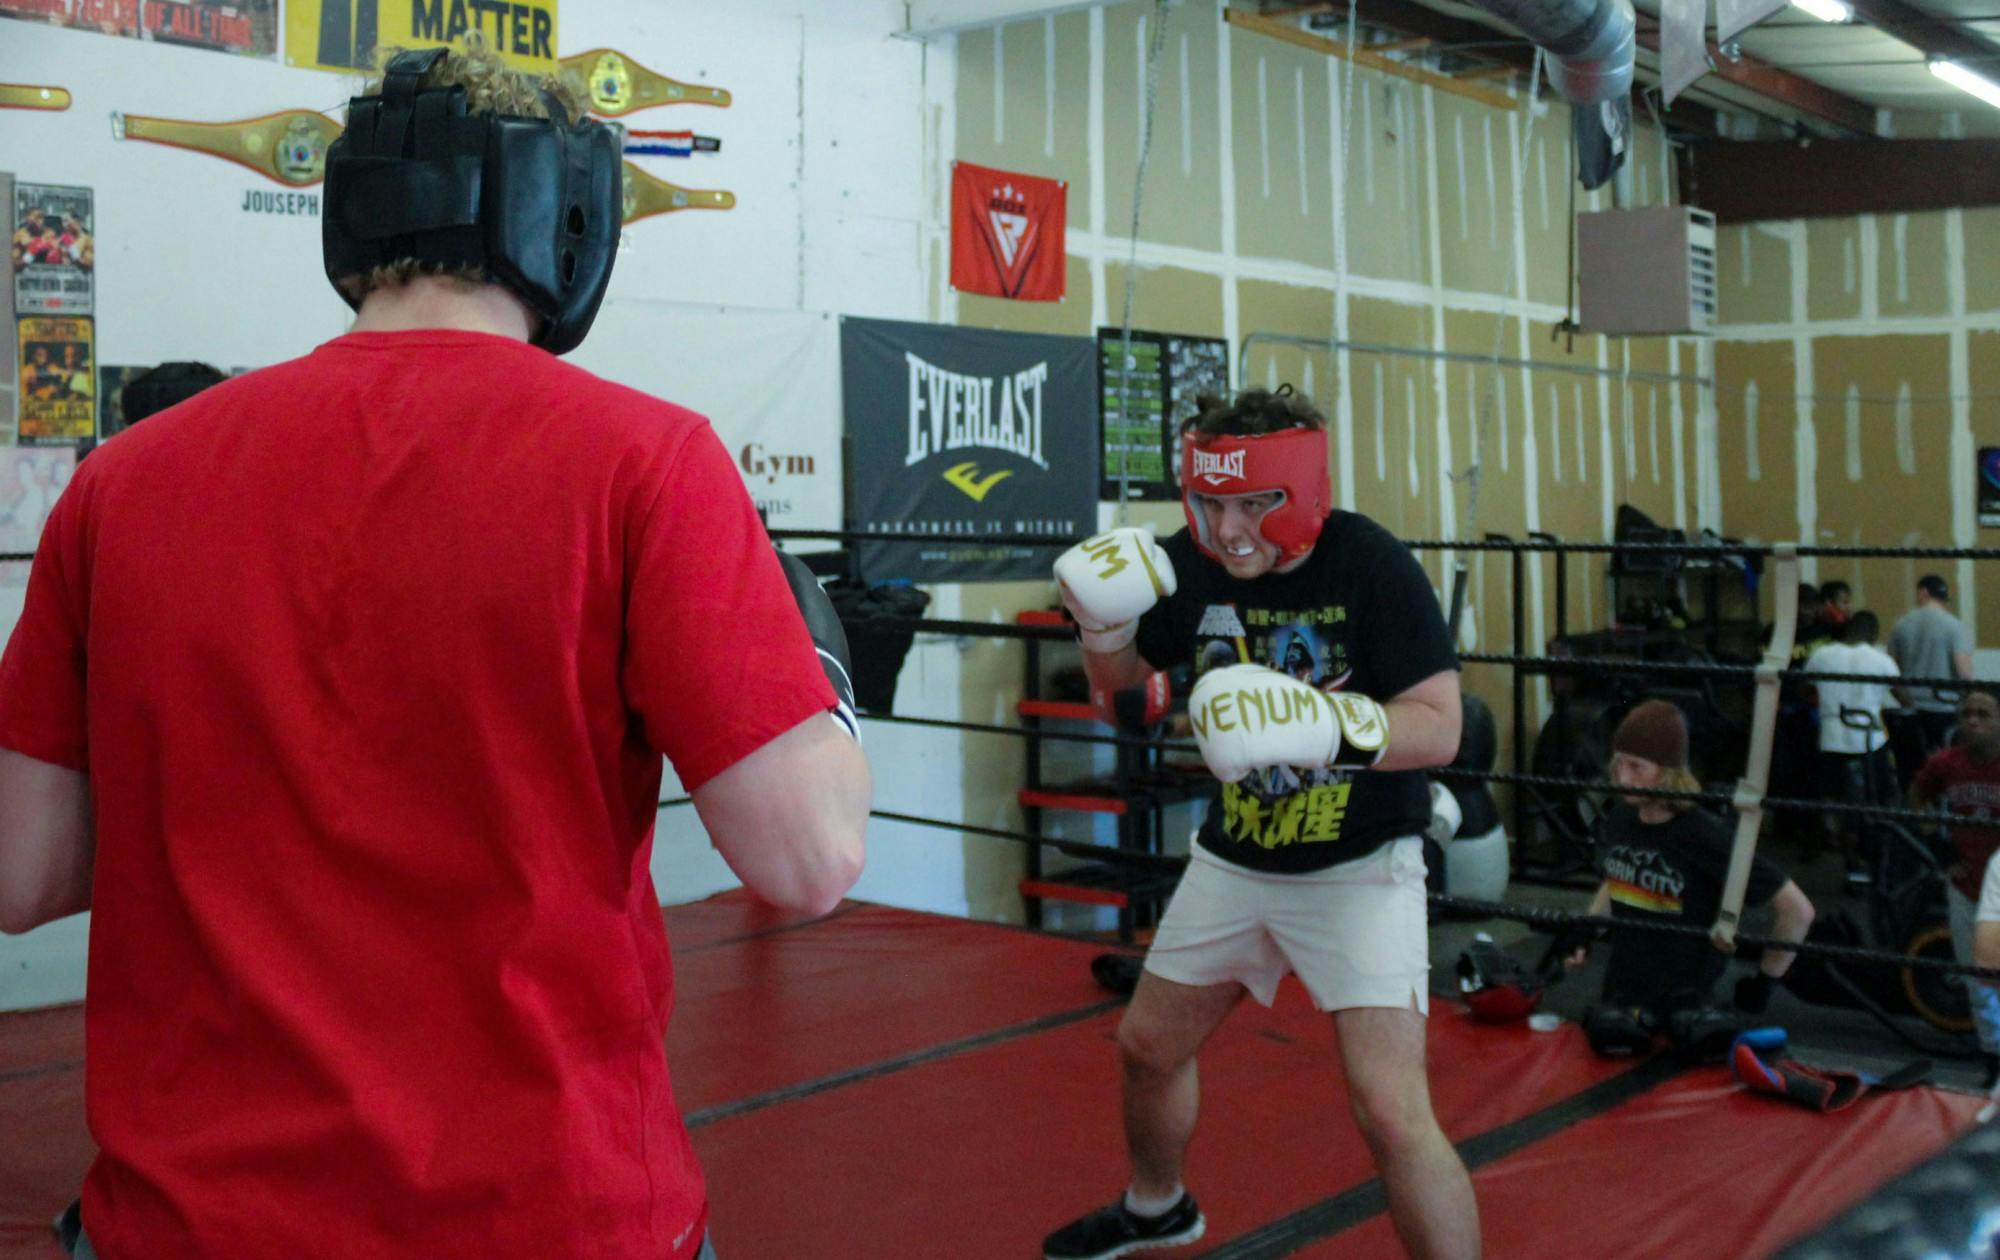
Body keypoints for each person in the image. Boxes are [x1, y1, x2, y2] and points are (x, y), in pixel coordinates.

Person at [0, 39, 868, 1260]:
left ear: (351, 219)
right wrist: (814, 667)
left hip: (187, 1221)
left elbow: (21, 874)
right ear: (570, 222)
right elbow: (810, 858)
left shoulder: (123, 482)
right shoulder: (642, 460)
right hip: (543, 1221)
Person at [1045, 385, 1477, 1260]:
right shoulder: (1189, 563)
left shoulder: (1369, 563)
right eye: (1208, 503)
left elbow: (1442, 726)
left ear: (1304, 491)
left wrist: (1331, 727)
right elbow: (1124, 698)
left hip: (1360, 864)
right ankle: (1157, 1206)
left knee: (1393, 1113)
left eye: (1254, 503)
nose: (1230, 529)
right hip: (1237, 859)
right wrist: (1099, 626)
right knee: (1148, 1046)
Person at [1567, 700, 1815, 1056]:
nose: (1623, 777)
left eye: (1637, 767)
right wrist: (1588, 928)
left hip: (1686, 1011)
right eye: (1619, 763)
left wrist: (1764, 982)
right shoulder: (1622, 816)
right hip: (1622, 1003)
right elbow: (1620, 874)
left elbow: (1798, 911)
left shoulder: (1704, 835)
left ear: (1669, 772)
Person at [1910, 685, 2000, 1087]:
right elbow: (1917, 797)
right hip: (1966, 884)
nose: (1973, 721)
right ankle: (1994, 1062)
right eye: (1967, 714)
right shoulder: (1948, 763)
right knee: (1980, 979)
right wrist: (1940, 848)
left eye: (1984, 714)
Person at [1803, 610, 1900, 885]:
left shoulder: (1822, 655)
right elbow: (1903, 695)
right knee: (1879, 802)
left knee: (1842, 806)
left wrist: (1827, 702)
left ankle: (1851, 865)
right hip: (1871, 742)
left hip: (1832, 740)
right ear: (1874, 634)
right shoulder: (1881, 660)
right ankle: (1878, 861)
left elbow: (1806, 690)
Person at [1888, 574, 1974, 759]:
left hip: (1911, 710)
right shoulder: (1955, 626)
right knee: (1945, 764)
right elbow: (1963, 672)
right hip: (1945, 709)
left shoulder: (1901, 625)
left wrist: (1905, 701)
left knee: (1914, 767)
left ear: (1922, 593)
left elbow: (1890, 672)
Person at [112, 360, 227, 430]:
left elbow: (171, 369)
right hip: (139, 414)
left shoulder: (214, 379)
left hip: (138, 399)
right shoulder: (218, 418)